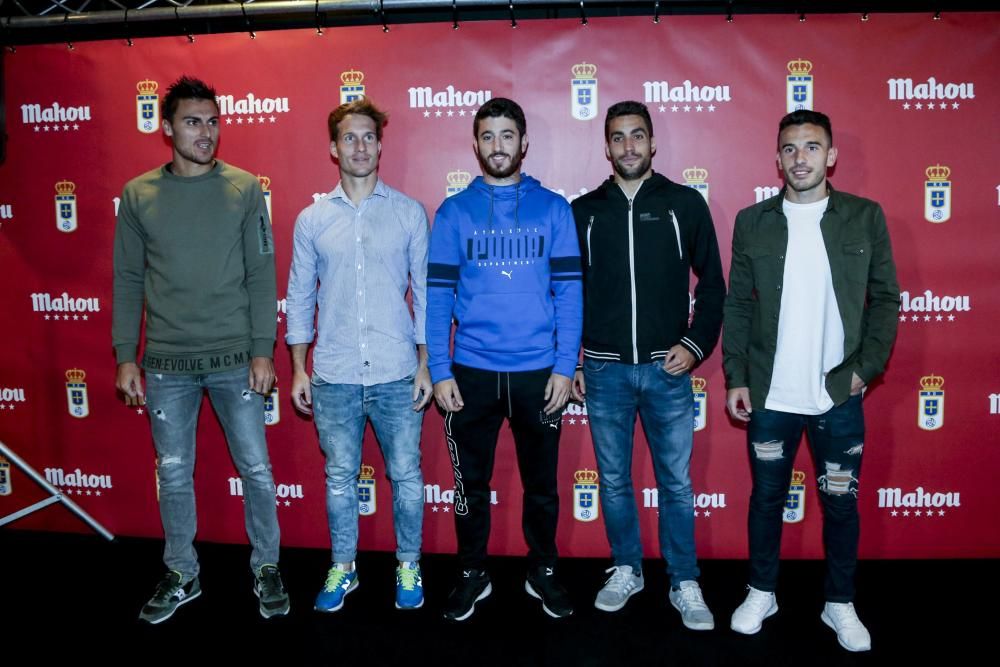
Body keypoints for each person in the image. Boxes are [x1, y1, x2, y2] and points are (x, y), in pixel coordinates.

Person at [723, 110, 900, 652]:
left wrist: (865, 371)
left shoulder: (865, 217)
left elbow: (886, 300)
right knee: (766, 498)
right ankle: (762, 591)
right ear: (776, 159)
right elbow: (737, 306)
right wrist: (736, 375)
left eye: (812, 147)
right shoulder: (752, 222)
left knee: (842, 503)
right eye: (790, 149)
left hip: (835, 395)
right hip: (772, 393)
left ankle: (839, 602)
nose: (801, 158)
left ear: (831, 156)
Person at [113, 75, 288, 624]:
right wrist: (125, 354)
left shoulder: (243, 188)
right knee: (173, 471)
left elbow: (262, 275)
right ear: (167, 129)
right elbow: (126, 279)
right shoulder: (139, 195)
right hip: (166, 365)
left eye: (213, 121)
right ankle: (182, 572)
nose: (206, 132)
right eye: (193, 122)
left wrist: (264, 349)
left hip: (237, 359)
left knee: (256, 469)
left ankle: (267, 566)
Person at [570, 100, 725, 630]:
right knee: (613, 481)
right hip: (605, 371)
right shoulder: (585, 211)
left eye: (638, 136)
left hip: (668, 371)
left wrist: (696, 345)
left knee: (676, 484)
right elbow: (568, 293)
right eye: (618, 137)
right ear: (607, 146)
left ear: (653, 143)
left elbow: (714, 287)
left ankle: (684, 579)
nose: (629, 146)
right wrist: (572, 359)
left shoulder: (685, 203)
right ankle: (626, 569)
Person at [426, 98, 583, 621]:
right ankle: (473, 572)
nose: (498, 146)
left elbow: (569, 294)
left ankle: (544, 572)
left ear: (524, 142)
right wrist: (441, 369)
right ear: (475, 145)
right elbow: (438, 298)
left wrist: (565, 366)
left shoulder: (554, 208)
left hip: (539, 372)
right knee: (469, 485)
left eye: (507, 135)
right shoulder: (454, 212)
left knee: (541, 486)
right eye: (488, 136)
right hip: (471, 372)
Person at [285, 98, 431, 612]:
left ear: (381, 145)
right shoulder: (312, 219)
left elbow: (426, 295)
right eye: (350, 138)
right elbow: (300, 296)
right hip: (335, 374)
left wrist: (424, 363)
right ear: (333, 148)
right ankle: (342, 568)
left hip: (396, 372)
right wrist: (300, 367)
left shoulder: (409, 212)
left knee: (407, 477)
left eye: (368, 136)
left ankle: (408, 563)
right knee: (339, 477)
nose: (360, 146)